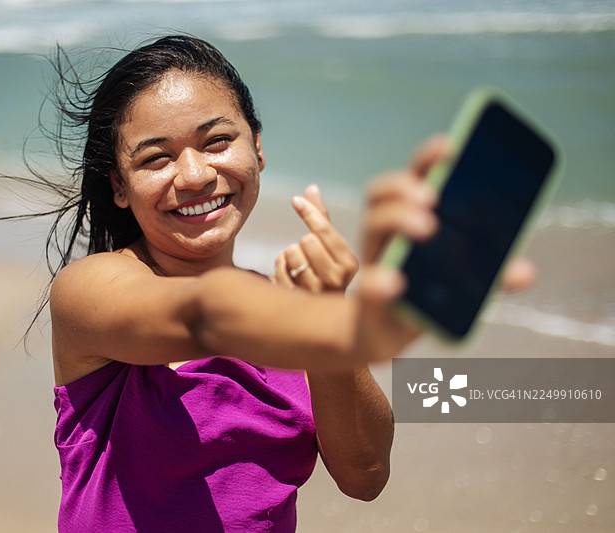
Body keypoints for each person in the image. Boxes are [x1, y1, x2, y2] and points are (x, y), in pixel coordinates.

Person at [42, 35, 533, 532]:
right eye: (156, 159)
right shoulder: (90, 289)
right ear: (119, 187)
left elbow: (365, 475)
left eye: (216, 142)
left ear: (256, 147)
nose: (193, 175)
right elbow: (201, 315)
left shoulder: (296, 316)